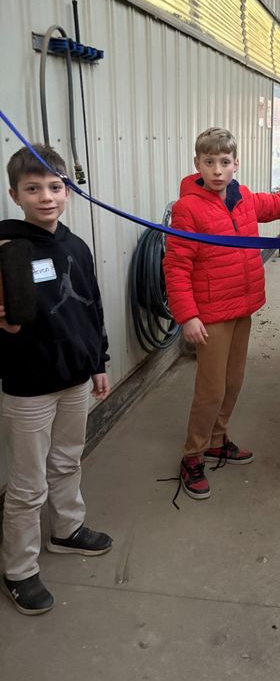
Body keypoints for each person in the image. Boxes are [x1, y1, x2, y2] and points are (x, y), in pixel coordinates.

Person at [163, 127, 280, 502]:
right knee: (209, 390)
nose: (217, 170)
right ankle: (192, 456)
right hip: (210, 314)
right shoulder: (187, 209)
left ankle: (217, 440)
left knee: (234, 381)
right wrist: (187, 316)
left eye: (224, 162)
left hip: (242, 306)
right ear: (197, 164)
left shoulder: (242, 198)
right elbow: (176, 267)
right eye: (208, 162)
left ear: (235, 164)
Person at [0, 146, 112, 616]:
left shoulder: (75, 245)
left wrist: (99, 360)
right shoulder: (6, 249)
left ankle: (67, 529)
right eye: (33, 188)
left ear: (68, 190)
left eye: (55, 186)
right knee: (27, 485)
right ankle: (19, 569)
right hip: (29, 386)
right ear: (15, 194)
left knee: (67, 460)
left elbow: (92, 307)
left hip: (75, 380)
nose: (46, 197)